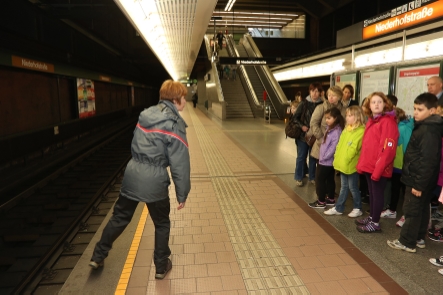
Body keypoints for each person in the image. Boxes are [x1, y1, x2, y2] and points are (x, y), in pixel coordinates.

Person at [89, 80, 191, 280]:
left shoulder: (145, 115)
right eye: (184, 97)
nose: (185, 101)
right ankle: (161, 267)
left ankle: (97, 255)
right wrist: (182, 193)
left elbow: (136, 143)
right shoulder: (174, 123)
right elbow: (180, 163)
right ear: (176, 100)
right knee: (161, 223)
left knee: (120, 217)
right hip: (155, 181)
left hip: (133, 174)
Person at [387, 93, 443, 252]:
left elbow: (428, 161)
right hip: (422, 179)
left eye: (420, 109)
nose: (416, 112)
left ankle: (406, 242)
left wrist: (418, 184)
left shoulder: (428, 130)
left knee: (411, 210)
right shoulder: (428, 127)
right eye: (414, 109)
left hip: (417, 180)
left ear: (432, 111)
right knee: (422, 208)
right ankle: (418, 238)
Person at [355, 92, 399, 233]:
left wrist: (378, 170)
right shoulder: (372, 120)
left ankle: (375, 223)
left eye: (379, 102)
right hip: (370, 165)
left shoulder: (388, 122)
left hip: (379, 167)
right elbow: (367, 145)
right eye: (373, 102)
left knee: (378, 193)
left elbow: (388, 150)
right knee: (372, 194)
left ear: (385, 104)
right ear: (369, 105)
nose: (376, 104)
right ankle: (372, 217)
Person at [324, 106, 365, 217]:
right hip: (343, 164)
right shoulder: (347, 129)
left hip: (351, 165)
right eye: (347, 115)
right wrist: (337, 158)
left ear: (357, 117)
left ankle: (357, 208)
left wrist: (345, 160)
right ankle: (339, 207)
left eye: (350, 115)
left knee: (353, 187)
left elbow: (353, 149)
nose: (347, 117)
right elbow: (339, 145)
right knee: (344, 187)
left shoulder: (361, 131)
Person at [308, 86, 347, 186]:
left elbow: (345, 126)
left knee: (331, 173)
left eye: (333, 95)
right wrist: (322, 139)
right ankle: (321, 193)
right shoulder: (321, 107)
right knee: (321, 172)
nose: (330, 97)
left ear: (339, 97)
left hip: (337, 145)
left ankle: (330, 194)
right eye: (329, 95)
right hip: (322, 145)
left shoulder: (343, 110)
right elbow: (313, 123)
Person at [380, 107, 413, 221]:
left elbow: (402, 145)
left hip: (402, 164)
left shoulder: (402, 128)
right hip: (398, 164)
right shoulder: (402, 126)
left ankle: (405, 214)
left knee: (404, 191)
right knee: (396, 189)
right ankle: (393, 210)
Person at [308, 108, 344, 208]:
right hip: (326, 160)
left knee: (320, 180)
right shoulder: (331, 128)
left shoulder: (336, 131)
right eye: (326, 118)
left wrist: (323, 157)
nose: (327, 120)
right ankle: (331, 199)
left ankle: (321, 201)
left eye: (329, 118)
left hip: (326, 161)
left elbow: (333, 147)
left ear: (336, 118)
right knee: (329, 179)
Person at [293, 83, 324, 187]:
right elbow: (295, 118)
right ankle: (298, 177)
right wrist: (302, 126)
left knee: (313, 157)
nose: (314, 93)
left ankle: (312, 177)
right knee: (301, 157)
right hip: (303, 135)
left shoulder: (322, 105)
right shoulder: (304, 103)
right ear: (309, 92)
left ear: (320, 93)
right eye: (312, 91)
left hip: (315, 136)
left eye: (317, 91)